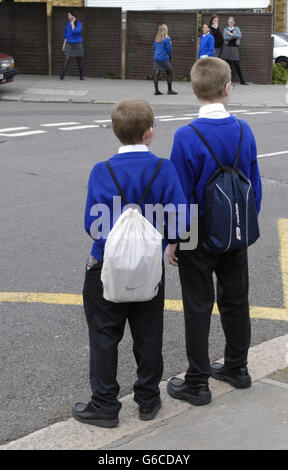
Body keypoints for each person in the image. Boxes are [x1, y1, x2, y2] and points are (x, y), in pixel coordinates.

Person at [72, 99, 188, 427]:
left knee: (104, 336)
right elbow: (179, 219)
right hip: (148, 268)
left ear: (115, 131)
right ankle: (148, 400)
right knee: (148, 334)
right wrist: (170, 245)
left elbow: (92, 225)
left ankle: (105, 405)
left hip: (107, 266)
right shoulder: (164, 169)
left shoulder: (101, 171)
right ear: (150, 132)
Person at [166, 58, 262, 406]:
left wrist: (174, 238)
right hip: (236, 224)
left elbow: (180, 194)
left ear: (195, 90)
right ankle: (237, 367)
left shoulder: (185, 136)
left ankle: (197, 382)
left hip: (198, 230)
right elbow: (254, 183)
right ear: (227, 89)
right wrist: (246, 222)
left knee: (198, 304)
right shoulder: (243, 130)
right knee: (236, 299)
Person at [221, 16, 247, 85]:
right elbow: (225, 38)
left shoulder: (237, 28)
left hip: (234, 48)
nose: (230, 23)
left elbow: (240, 36)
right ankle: (228, 81)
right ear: (227, 23)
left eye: (231, 22)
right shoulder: (225, 29)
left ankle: (242, 81)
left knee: (237, 65)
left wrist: (231, 34)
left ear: (234, 22)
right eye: (229, 22)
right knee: (228, 66)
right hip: (227, 48)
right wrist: (233, 36)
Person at [153, 24, 177, 95]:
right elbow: (169, 50)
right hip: (164, 59)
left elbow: (154, 48)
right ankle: (169, 90)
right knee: (169, 72)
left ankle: (156, 91)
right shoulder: (167, 39)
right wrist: (170, 44)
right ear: (165, 30)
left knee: (157, 74)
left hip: (156, 58)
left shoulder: (156, 39)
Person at [60, 10, 84, 81]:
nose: (67, 16)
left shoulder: (79, 24)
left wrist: (73, 23)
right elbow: (66, 35)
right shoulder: (67, 24)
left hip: (77, 44)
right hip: (69, 44)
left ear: (73, 16)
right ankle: (62, 76)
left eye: (69, 15)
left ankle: (81, 76)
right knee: (67, 59)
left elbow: (75, 31)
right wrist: (64, 45)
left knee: (79, 60)